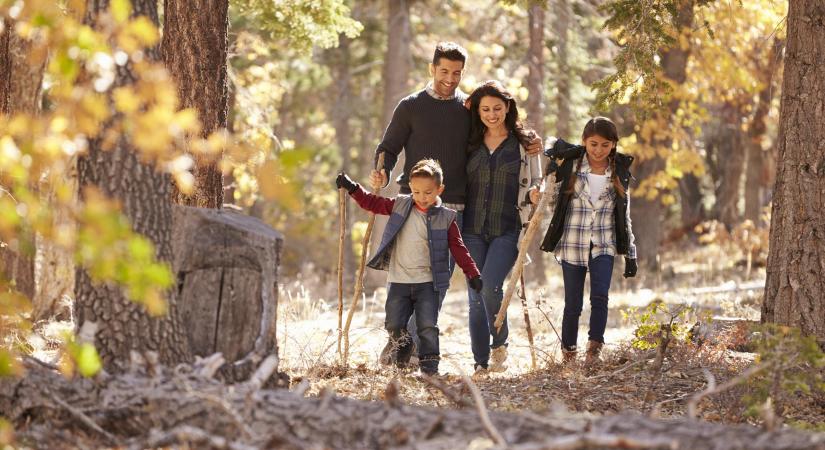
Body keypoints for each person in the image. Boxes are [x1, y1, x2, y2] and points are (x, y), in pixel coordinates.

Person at [369, 41, 543, 360]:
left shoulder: (468, 109)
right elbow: (388, 147)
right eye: (444, 71)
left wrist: (529, 139)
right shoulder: (410, 106)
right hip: (413, 204)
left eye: (457, 73)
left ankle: (408, 346)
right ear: (432, 68)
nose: (450, 78)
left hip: (454, 210)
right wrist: (381, 169)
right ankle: (399, 339)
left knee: (439, 281)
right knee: (407, 276)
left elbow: (499, 127)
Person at [336, 159, 483, 375]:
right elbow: (373, 203)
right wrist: (352, 188)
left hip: (428, 283)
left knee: (427, 326)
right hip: (399, 281)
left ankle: (430, 369)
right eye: (416, 191)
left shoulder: (446, 217)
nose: (421, 198)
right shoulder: (401, 205)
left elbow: (458, 247)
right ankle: (404, 347)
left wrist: (472, 273)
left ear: (439, 189)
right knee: (393, 324)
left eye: (427, 192)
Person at [540, 117, 638, 367]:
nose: (598, 150)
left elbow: (624, 215)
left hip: (603, 244)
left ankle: (594, 350)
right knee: (573, 302)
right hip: (573, 243)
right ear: (584, 141)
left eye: (605, 145)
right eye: (593, 144)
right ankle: (568, 353)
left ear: (614, 145)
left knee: (600, 297)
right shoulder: (571, 166)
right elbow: (552, 202)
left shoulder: (619, 172)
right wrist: (547, 184)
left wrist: (631, 253)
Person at [462, 81, 543, 376]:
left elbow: (537, 179)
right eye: (485, 109)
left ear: (508, 107)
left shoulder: (524, 144)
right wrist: (471, 100)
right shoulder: (469, 141)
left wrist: (535, 192)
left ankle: (499, 344)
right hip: (471, 228)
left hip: (508, 228)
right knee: (475, 295)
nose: (492, 114)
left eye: (497, 108)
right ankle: (480, 362)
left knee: (490, 286)